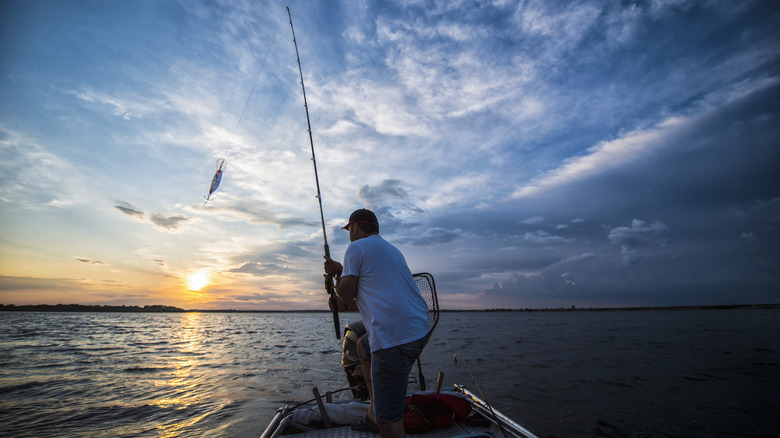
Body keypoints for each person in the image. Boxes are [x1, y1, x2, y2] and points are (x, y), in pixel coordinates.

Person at [324, 208, 429, 438]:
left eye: (348, 229)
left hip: (395, 337)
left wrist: (337, 274)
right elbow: (364, 298)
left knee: (389, 423)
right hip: (419, 329)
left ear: (355, 227)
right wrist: (342, 275)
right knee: (362, 346)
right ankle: (373, 412)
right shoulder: (391, 250)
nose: (349, 235)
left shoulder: (356, 247)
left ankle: (381, 417)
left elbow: (346, 296)